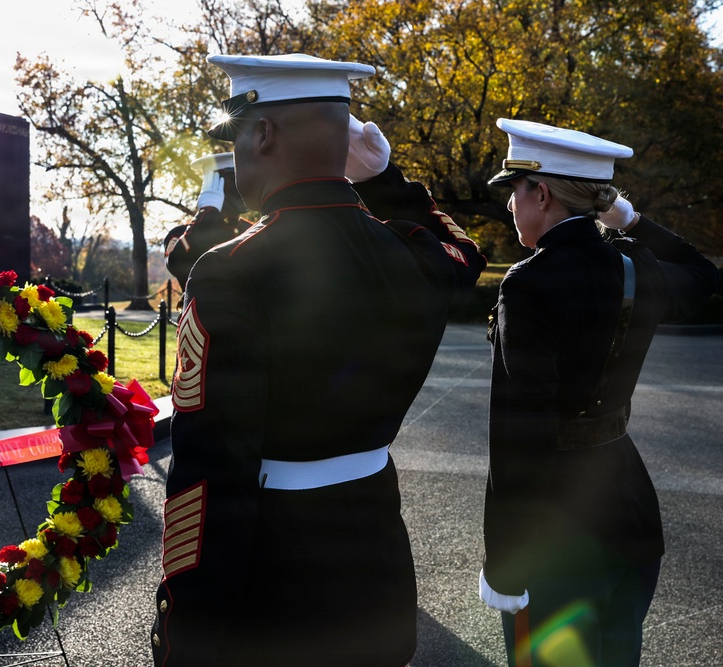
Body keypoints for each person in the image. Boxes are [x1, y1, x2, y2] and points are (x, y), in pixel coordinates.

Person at [150, 53, 486, 667]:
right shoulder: (412, 257)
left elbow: (208, 478)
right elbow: (461, 253)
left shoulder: (232, 271)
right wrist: (385, 180)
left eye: (240, 138)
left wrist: (184, 631)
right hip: (377, 563)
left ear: (265, 133)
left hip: (277, 584)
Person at [479, 118, 719, 666]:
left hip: (556, 533)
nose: (511, 206)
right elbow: (702, 273)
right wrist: (626, 216)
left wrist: (508, 563)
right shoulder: (635, 266)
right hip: (628, 512)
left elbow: (522, 435)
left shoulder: (529, 282)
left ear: (540, 192)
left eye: (515, 191)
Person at [163, 152, 252, 291]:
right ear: (212, 185)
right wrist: (206, 214)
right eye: (234, 179)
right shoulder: (180, 234)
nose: (243, 185)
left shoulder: (252, 230)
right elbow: (176, 263)